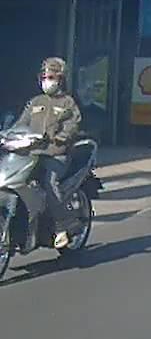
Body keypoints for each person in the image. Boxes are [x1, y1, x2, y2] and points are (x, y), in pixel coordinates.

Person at [13, 57, 81, 251]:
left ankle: (62, 226)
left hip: (56, 155)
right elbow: (21, 124)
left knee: (50, 184)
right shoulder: (35, 102)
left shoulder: (68, 103)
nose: (46, 81)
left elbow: (73, 125)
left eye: (50, 77)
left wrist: (62, 137)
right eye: (43, 77)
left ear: (60, 79)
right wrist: (10, 135)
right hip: (32, 154)